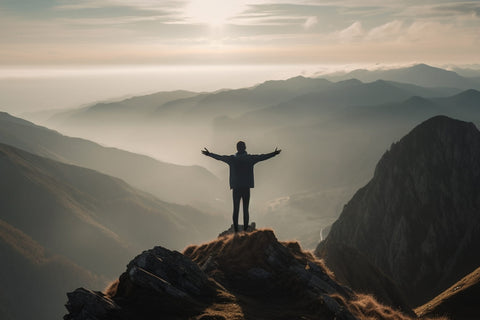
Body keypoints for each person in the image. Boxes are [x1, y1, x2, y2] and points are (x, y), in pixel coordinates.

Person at [202, 141, 281, 232]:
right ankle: (245, 229)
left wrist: (209, 154)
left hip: (236, 187)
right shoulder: (250, 158)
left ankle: (236, 230)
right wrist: (274, 154)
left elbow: (220, 157)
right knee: (245, 209)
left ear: (237, 148)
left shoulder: (232, 159)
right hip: (246, 187)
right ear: (245, 148)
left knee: (236, 209)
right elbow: (262, 157)